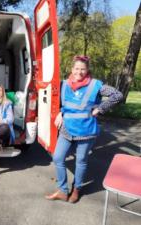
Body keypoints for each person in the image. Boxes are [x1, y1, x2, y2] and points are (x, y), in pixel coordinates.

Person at [45, 55, 123, 203]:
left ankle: (76, 189)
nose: (79, 72)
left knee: (81, 161)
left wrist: (100, 109)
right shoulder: (64, 84)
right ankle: (62, 190)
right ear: (71, 69)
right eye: (76, 68)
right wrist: (60, 112)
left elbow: (117, 95)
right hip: (66, 129)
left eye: (82, 69)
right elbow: (58, 101)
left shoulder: (96, 85)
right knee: (58, 158)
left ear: (87, 70)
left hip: (86, 131)